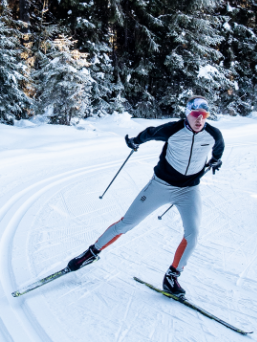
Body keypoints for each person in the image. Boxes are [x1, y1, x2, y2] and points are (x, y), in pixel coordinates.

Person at [65, 96, 224, 298]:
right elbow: (150, 133)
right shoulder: (173, 130)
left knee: (193, 234)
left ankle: (171, 276)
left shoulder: (213, 134)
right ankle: (91, 253)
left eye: (203, 115)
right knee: (126, 224)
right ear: (187, 114)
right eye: (195, 114)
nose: (199, 119)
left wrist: (216, 161)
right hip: (161, 186)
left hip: (189, 190)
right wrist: (135, 141)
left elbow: (219, 148)